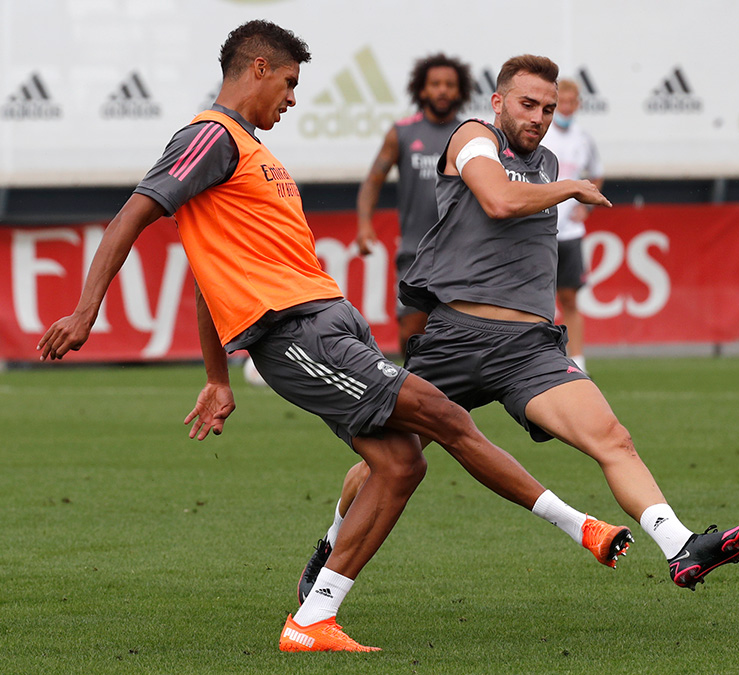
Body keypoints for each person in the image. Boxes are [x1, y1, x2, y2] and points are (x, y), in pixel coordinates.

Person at [37, 22, 631, 653]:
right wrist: (84, 310)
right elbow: (135, 211)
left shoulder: (253, 153)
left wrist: (216, 376)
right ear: (259, 68)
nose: (292, 99)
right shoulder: (211, 136)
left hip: (330, 323)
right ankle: (582, 527)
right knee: (444, 416)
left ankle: (314, 619)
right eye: (289, 83)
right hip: (296, 335)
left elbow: (208, 273)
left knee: (401, 463)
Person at [298, 55, 739, 603]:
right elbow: (497, 199)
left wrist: (561, 182)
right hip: (455, 341)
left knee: (613, 439)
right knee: (390, 461)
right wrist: (570, 189)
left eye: (547, 106)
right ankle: (333, 539)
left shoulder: (548, 161)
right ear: (498, 103)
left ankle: (680, 546)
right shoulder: (473, 137)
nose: (538, 116)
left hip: (527, 352)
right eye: (527, 104)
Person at [355, 53, 472, 359]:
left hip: (462, 254)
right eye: (435, 84)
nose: (442, 90)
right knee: (411, 333)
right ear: (422, 90)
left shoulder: (472, 135)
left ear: (460, 91)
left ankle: (451, 402)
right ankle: (413, 400)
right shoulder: (402, 133)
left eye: (449, 84)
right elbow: (372, 181)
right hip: (415, 253)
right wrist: (365, 225)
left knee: (457, 339)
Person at [540, 78, 602, 373]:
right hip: (541, 230)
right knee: (539, 299)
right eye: (560, 103)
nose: (565, 108)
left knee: (570, 299)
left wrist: (586, 207)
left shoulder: (583, 138)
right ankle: (540, 360)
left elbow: (597, 175)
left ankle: (577, 362)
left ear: (577, 104)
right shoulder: (541, 134)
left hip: (571, 233)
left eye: (570, 102)